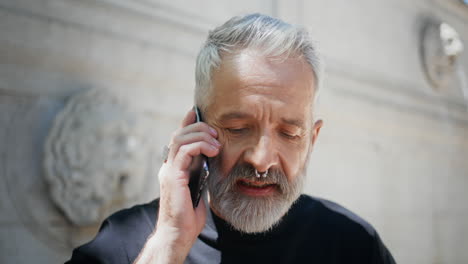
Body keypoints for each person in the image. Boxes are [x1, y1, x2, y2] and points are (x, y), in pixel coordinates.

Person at [66, 13, 396, 264]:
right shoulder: (128, 243)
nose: (262, 159)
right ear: (195, 125)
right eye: (238, 129)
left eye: (289, 132)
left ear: (312, 139)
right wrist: (169, 243)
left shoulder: (353, 245)